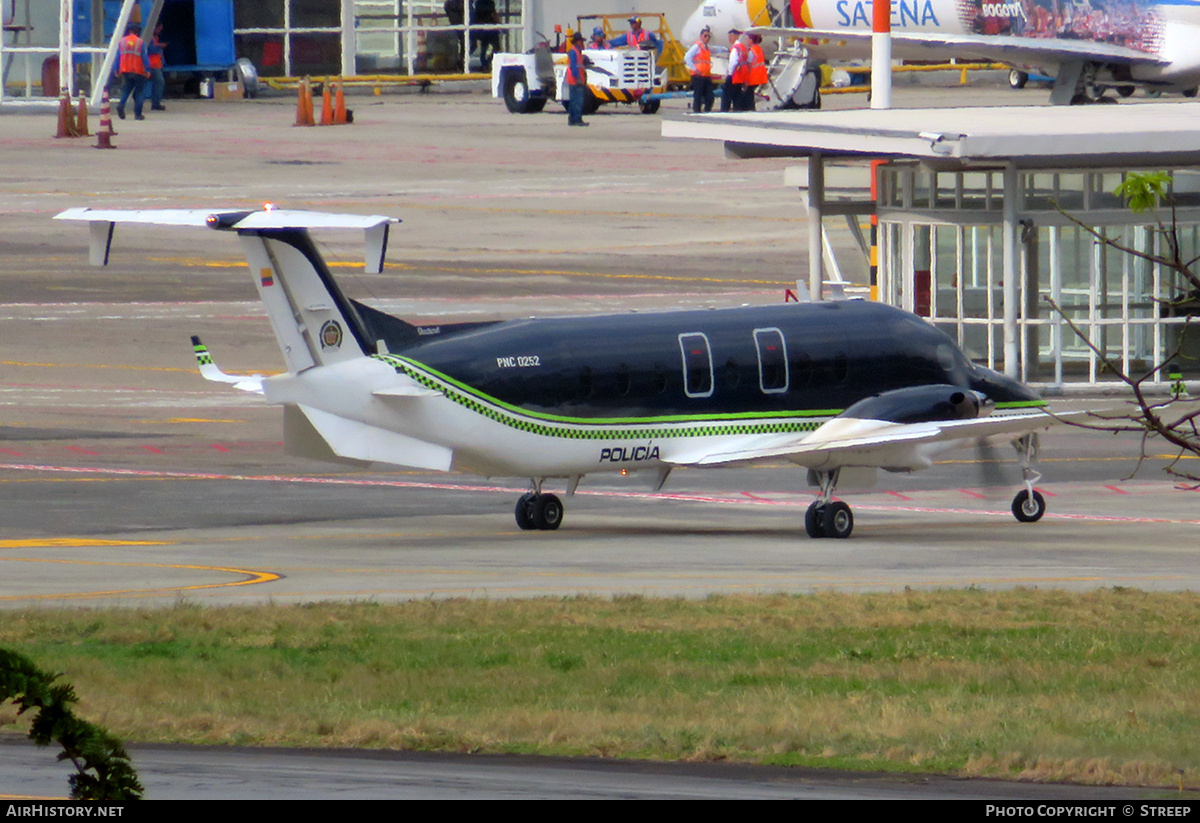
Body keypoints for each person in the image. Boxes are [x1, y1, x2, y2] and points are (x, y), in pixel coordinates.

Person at [115, 24, 149, 121]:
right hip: (138, 70)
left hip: (126, 70)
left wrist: (116, 69)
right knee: (139, 92)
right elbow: (144, 57)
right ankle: (138, 114)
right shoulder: (140, 42)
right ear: (138, 32)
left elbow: (118, 57)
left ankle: (121, 104)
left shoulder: (122, 42)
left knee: (126, 89)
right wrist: (147, 69)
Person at [684, 25, 715, 113]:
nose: (707, 38)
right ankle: (697, 112)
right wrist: (694, 68)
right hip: (698, 76)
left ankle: (707, 111)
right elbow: (687, 57)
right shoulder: (697, 47)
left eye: (709, 36)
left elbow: (716, 49)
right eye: (705, 36)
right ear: (701, 36)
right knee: (698, 95)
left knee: (710, 96)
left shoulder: (706, 48)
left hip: (706, 76)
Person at [565, 31, 590, 127]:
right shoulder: (573, 51)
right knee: (578, 101)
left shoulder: (576, 51)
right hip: (575, 80)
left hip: (575, 80)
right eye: (580, 41)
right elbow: (574, 66)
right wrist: (578, 77)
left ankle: (572, 120)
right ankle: (577, 119)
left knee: (574, 101)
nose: (582, 43)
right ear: (576, 41)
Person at [720, 29, 746, 112]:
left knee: (727, 94)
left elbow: (733, 62)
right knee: (737, 95)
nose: (729, 38)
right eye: (729, 36)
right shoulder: (742, 47)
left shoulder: (735, 48)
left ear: (737, 36)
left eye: (731, 36)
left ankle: (724, 110)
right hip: (741, 75)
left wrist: (729, 74)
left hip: (734, 75)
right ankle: (737, 109)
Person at [470, 0, 500, 72]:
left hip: (486, 27)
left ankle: (485, 64)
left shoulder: (480, 3)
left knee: (487, 47)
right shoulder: (482, 3)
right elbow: (494, 14)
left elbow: (494, 14)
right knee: (486, 47)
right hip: (486, 27)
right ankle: (485, 64)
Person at [743, 32, 769, 112]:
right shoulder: (759, 49)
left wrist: (746, 79)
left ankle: (750, 109)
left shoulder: (752, 51)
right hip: (760, 76)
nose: (746, 41)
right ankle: (752, 109)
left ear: (751, 40)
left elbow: (749, 65)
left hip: (753, 77)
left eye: (747, 39)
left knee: (748, 95)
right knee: (751, 94)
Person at [147, 23, 167, 112]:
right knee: (159, 82)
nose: (160, 31)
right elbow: (150, 50)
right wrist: (159, 46)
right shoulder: (149, 39)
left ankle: (156, 102)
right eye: (159, 29)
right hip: (152, 65)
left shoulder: (155, 38)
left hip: (157, 65)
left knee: (157, 83)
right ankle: (155, 104)